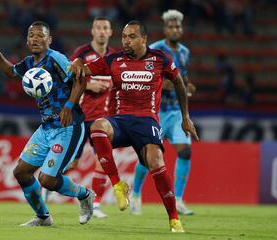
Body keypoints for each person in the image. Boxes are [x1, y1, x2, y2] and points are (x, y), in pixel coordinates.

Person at [68, 20, 199, 233]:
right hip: (120, 120)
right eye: (124, 37)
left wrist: (185, 117)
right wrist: (75, 65)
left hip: (147, 121)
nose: (126, 41)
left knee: (156, 161)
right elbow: (83, 70)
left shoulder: (161, 59)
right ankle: (118, 185)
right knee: (98, 127)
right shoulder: (113, 59)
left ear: (144, 39)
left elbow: (179, 83)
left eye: (131, 36)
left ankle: (174, 218)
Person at [0, 21, 95, 227]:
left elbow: (81, 78)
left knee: (47, 180)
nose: (35, 39)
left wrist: (69, 105)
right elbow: (11, 72)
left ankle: (85, 195)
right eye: (32, 35)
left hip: (68, 126)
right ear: (27, 39)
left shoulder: (55, 58)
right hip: (46, 127)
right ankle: (43, 217)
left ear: (49, 40)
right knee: (21, 173)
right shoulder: (30, 63)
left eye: (40, 36)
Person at [130, 9, 197, 216]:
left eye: (178, 26)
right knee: (147, 157)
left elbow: (181, 78)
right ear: (165, 28)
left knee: (185, 152)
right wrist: (161, 85)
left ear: (181, 28)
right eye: (171, 26)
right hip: (156, 111)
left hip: (176, 111)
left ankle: (177, 199)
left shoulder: (185, 52)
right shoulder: (155, 50)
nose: (175, 29)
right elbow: (142, 76)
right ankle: (136, 195)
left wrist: (188, 86)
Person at [69, 16, 114, 218]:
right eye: (98, 27)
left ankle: (95, 204)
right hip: (80, 117)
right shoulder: (82, 53)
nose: (102, 31)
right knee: (72, 162)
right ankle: (47, 182)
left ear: (111, 32)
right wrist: (89, 85)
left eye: (105, 28)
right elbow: (68, 77)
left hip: (103, 120)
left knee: (102, 159)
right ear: (92, 31)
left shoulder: (114, 56)